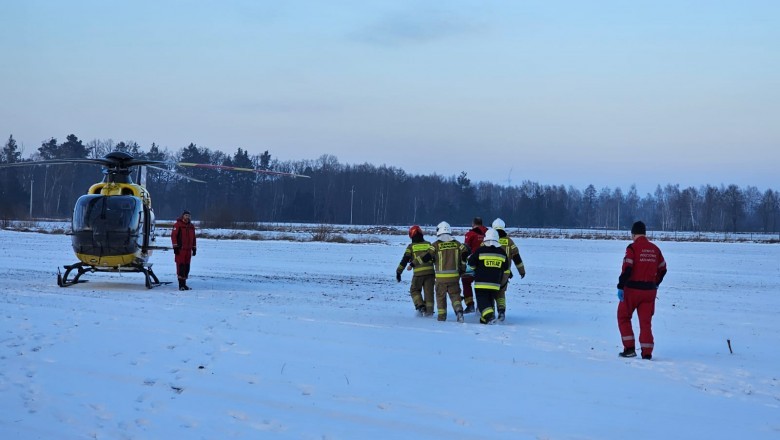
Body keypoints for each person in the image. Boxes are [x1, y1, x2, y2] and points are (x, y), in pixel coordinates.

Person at [616, 221, 667, 360]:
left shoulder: (632, 248)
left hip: (632, 290)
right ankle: (647, 353)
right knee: (645, 323)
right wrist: (655, 283)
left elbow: (628, 268)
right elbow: (663, 269)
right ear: (645, 233)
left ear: (633, 234)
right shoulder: (655, 249)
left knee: (623, 317)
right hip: (649, 292)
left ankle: (629, 349)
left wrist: (620, 286)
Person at [415, 221, 470, 322]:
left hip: (441, 279)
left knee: (440, 298)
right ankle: (459, 311)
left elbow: (426, 257)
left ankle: (441, 317)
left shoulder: (435, 245)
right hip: (454, 277)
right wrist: (462, 266)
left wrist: (414, 263)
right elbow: (466, 251)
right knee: (455, 296)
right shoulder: (457, 244)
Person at [467, 228, 509, 324]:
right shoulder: (502, 252)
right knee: (490, 301)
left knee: (483, 302)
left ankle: (489, 317)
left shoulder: (480, 251)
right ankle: (484, 320)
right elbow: (506, 268)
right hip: (495, 284)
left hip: (481, 283)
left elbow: (471, 263)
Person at [491, 218, 527, 321]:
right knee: (501, 293)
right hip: (505, 273)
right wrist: (522, 271)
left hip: (491, 271)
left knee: (490, 292)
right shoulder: (509, 241)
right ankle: (501, 311)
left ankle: (490, 312)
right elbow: (517, 258)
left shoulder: (490, 239)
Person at [396, 225, 435, 316]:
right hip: (430, 273)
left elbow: (405, 259)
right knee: (429, 293)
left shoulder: (411, 247)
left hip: (418, 274)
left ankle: (420, 306)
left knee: (414, 290)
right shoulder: (429, 244)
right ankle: (429, 312)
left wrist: (399, 272)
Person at [461, 217, 487, 313]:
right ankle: (481, 306)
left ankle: (470, 304)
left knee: (466, 281)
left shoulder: (470, 234)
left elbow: (466, 249)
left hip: (473, 262)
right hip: (486, 263)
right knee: (482, 285)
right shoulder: (488, 232)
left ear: (473, 223)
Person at [171, 210, 197, 291]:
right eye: (186, 215)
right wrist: (175, 247)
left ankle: (184, 284)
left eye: (188, 216)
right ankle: (180, 285)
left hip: (188, 250)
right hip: (180, 249)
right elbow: (173, 236)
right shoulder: (178, 225)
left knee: (186, 267)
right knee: (180, 267)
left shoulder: (191, 226)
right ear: (183, 216)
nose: (187, 217)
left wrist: (194, 247)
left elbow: (194, 238)